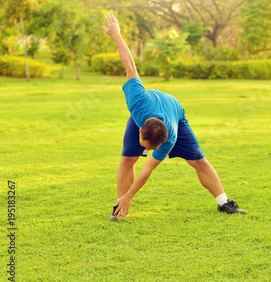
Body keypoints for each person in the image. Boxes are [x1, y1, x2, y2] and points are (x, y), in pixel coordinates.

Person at [100, 13, 247, 221]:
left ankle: (224, 202)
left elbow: (148, 169)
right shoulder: (137, 100)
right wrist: (116, 35)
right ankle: (121, 206)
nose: (147, 151)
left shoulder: (169, 138)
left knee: (199, 161)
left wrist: (131, 195)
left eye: (151, 149)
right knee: (127, 159)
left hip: (174, 112)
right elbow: (130, 65)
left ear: (161, 144)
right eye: (146, 146)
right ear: (139, 129)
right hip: (148, 108)